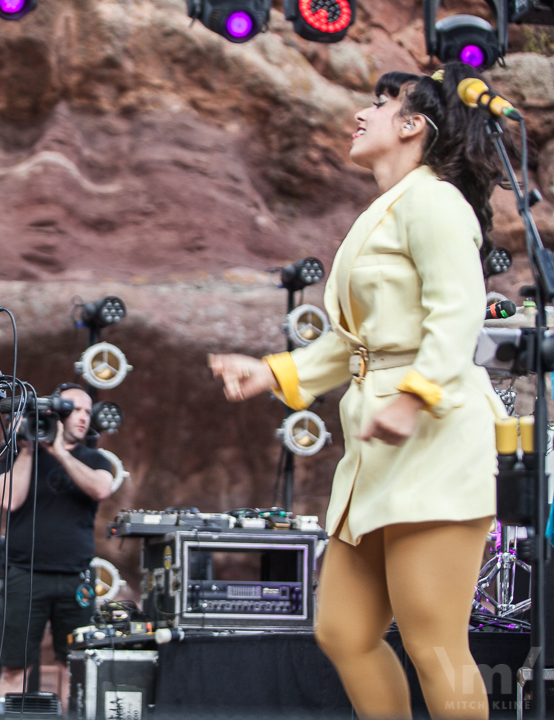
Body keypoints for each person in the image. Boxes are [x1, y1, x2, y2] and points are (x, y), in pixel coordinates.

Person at [210, 62, 504, 719]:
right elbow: (353, 341)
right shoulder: (384, 211)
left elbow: (458, 314)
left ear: (411, 125)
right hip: (376, 454)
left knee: (434, 644)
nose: (360, 115)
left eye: (380, 103)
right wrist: (274, 372)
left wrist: (413, 397)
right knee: (343, 632)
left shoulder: (434, 201)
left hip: (433, 441)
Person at [0, 384, 116, 705]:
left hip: (75, 577)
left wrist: (60, 452)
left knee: (73, 665)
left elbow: (102, 489)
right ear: (55, 414)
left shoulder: (95, 458)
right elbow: (7, 500)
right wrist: (29, 449)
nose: (83, 417)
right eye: (75, 409)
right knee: (15, 666)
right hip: (25, 574)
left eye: (88, 411)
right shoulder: (23, 454)